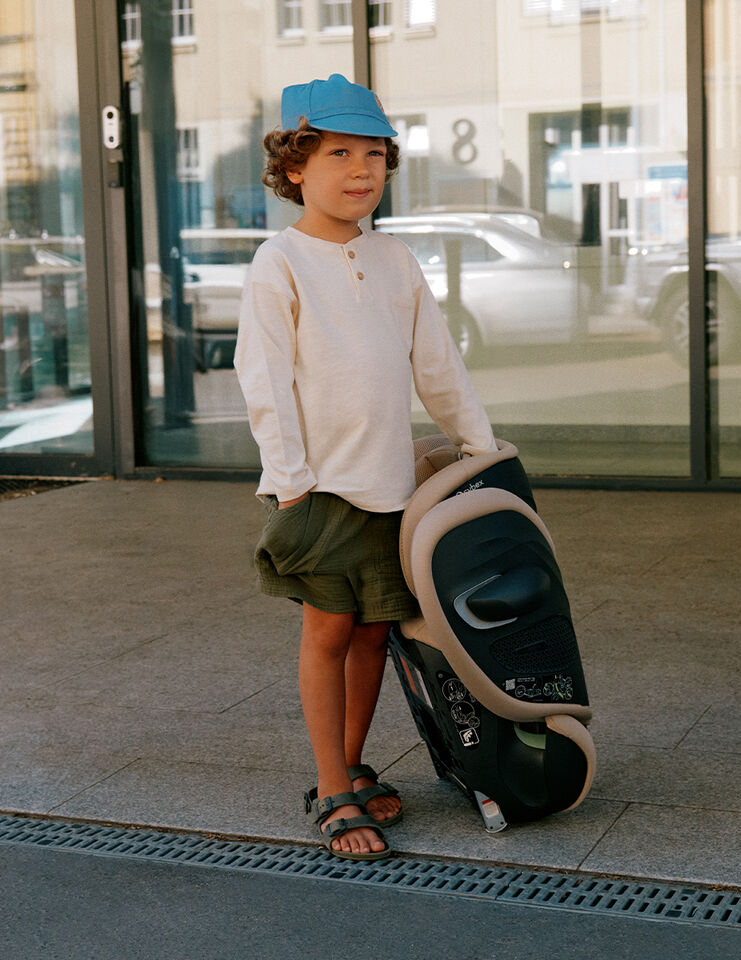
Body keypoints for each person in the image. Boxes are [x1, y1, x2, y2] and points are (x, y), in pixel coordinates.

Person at [234, 74, 496, 861]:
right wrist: (291, 481)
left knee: (375, 633)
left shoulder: (394, 260)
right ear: (294, 168)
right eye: (339, 153)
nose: (361, 170)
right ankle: (331, 790)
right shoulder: (279, 263)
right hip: (319, 488)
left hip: (392, 484)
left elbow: (437, 364)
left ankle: (348, 763)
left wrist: (481, 446)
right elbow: (265, 379)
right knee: (328, 631)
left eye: (374, 155)